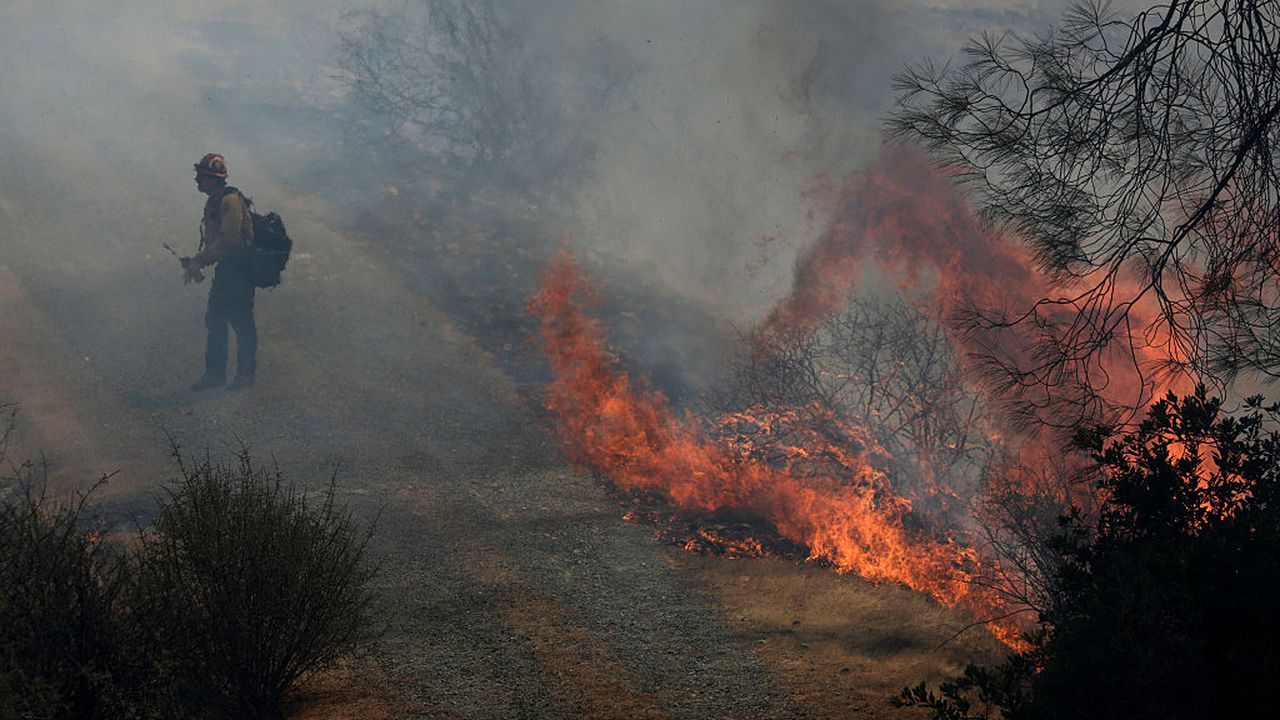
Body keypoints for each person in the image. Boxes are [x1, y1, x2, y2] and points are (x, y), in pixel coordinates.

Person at [183, 153, 257, 391]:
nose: (197, 181)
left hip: (240, 269)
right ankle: (216, 375)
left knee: (240, 322)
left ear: (213, 179)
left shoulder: (229, 202)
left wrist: (201, 259)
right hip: (229, 269)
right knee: (216, 319)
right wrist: (199, 261)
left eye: (201, 177)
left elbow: (230, 241)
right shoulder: (216, 200)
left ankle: (244, 375)